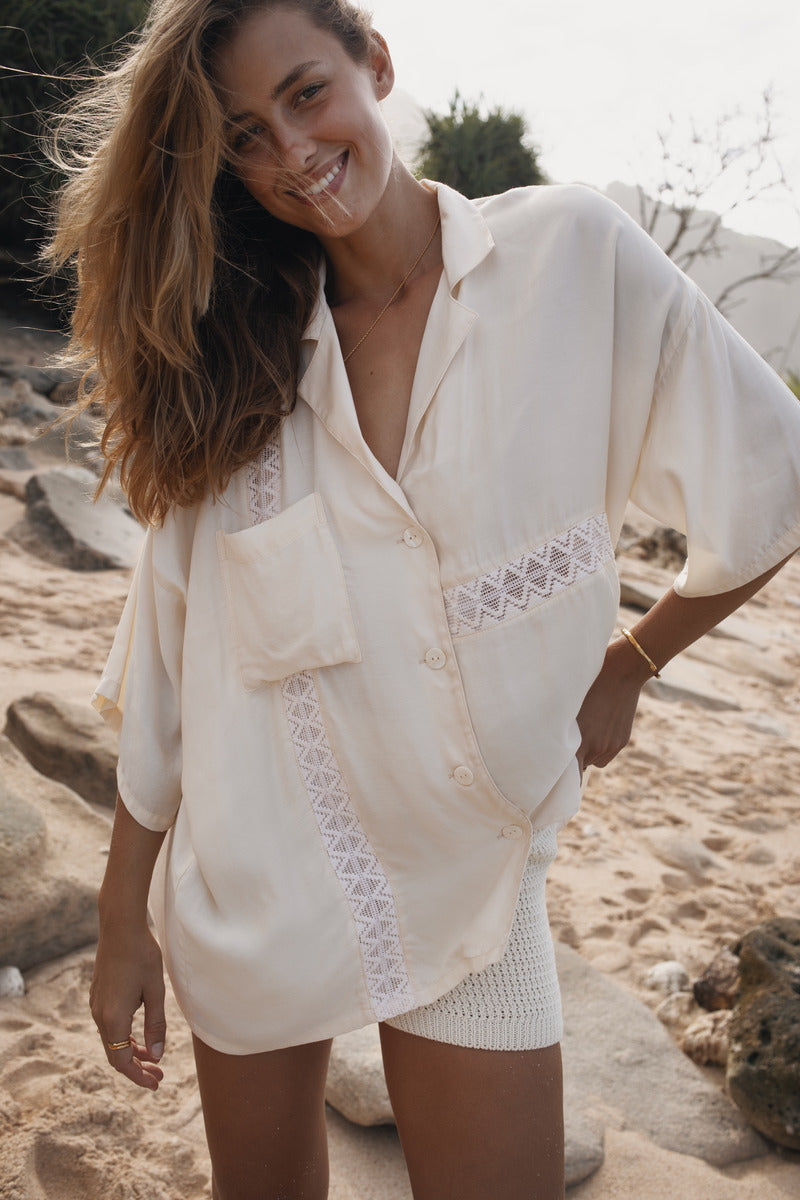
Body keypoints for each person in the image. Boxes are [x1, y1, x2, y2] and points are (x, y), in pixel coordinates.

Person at [44, 1, 800, 1197]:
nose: (290, 151)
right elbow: (169, 656)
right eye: (243, 135)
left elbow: (775, 476)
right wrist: (123, 914)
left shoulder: (570, 261)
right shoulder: (239, 359)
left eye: (306, 94)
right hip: (259, 878)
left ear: (374, 63)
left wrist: (633, 659)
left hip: (477, 881)